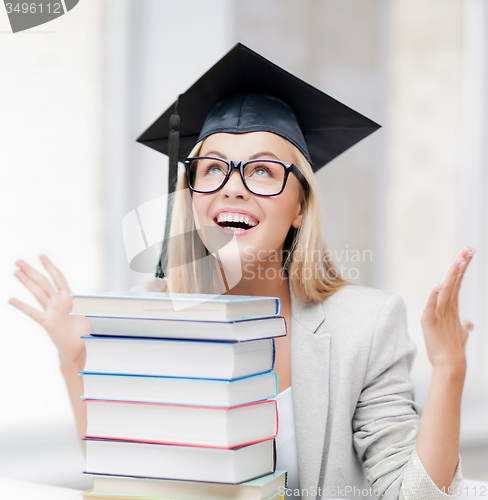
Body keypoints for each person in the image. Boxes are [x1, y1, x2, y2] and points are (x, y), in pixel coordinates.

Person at [9, 44, 474, 500]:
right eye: (211, 170)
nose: (232, 188)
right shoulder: (154, 315)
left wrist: (448, 368)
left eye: (263, 171)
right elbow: (130, 481)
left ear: (300, 206)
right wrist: (76, 361)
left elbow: (412, 495)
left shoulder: (365, 327)